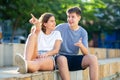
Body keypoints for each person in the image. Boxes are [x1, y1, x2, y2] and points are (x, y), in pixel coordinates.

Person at [55, 7, 98, 80]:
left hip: (73, 58)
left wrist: (81, 45)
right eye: (68, 16)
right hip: (61, 58)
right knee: (62, 59)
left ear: (79, 18)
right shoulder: (60, 27)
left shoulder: (83, 32)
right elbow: (49, 35)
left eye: (73, 17)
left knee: (93, 58)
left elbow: (86, 53)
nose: (70, 19)